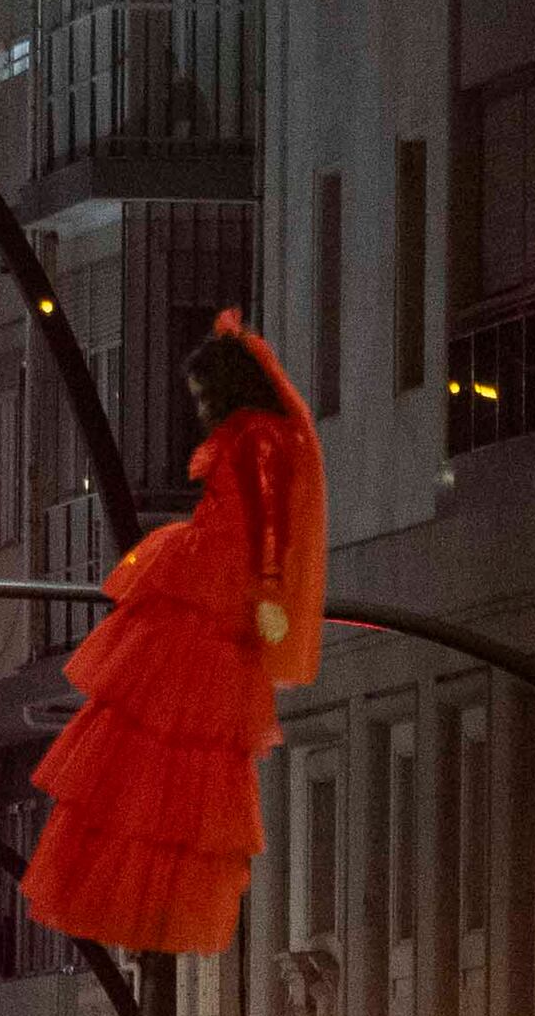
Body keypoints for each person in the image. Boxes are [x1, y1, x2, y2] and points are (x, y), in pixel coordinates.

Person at [21, 311, 325, 956]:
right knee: (168, 736)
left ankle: (146, 879)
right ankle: (149, 877)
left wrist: (270, 592)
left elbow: (270, 522)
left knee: (165, 730)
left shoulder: (256, 437)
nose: (199, 409)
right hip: (210, 580)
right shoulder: (262, 434)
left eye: (203, 394)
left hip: (211, 582)